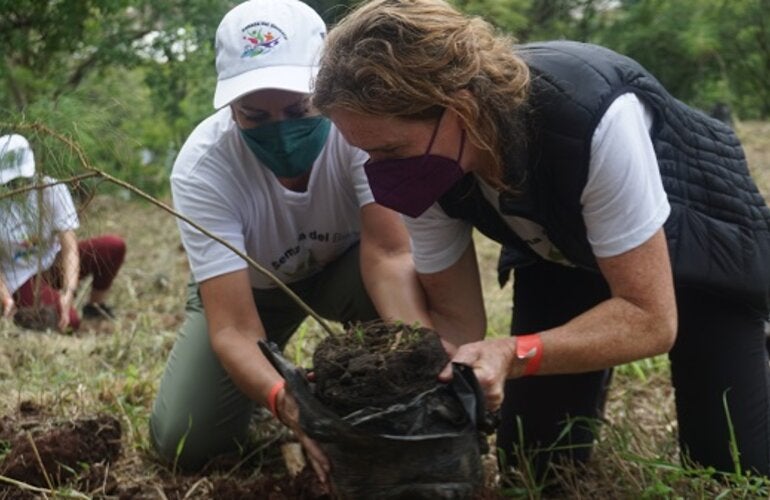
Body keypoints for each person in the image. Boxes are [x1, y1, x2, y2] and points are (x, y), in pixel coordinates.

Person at [312, 0, 770, 482]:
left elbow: (649, 319)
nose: (380, 175)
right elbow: (456, 319)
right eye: (366, 153)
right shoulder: (424, 170)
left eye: (391, 150)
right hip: (561, 251)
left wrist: (514, 353)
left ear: (460, 108)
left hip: (698, 248)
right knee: (534, 468)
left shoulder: (589, 115)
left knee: (732, 467)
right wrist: (405, 376)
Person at [148, 0, 427, 479]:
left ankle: (392, 399)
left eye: (299, 108)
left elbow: (389, 253)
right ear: (231, 107)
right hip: (252, 292)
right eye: (255, 115)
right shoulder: (203, 168)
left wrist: (424, 359)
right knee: (185, 440)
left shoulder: (358, 131)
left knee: (411, 305)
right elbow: (234, 328)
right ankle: (260, 394)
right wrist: (289, 404)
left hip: (351, 269)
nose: (282, 129)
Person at [0, 133, 126, 332]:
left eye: (23, 180)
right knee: (69, 324)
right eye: (12, 183)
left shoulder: (52, 189)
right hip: (20, 277)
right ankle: (27, 310)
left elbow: (69, 248)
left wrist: (69, 290)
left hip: (53, 263)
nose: (19, 186)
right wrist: (5, 297)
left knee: (113, 246)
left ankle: (95, 307)